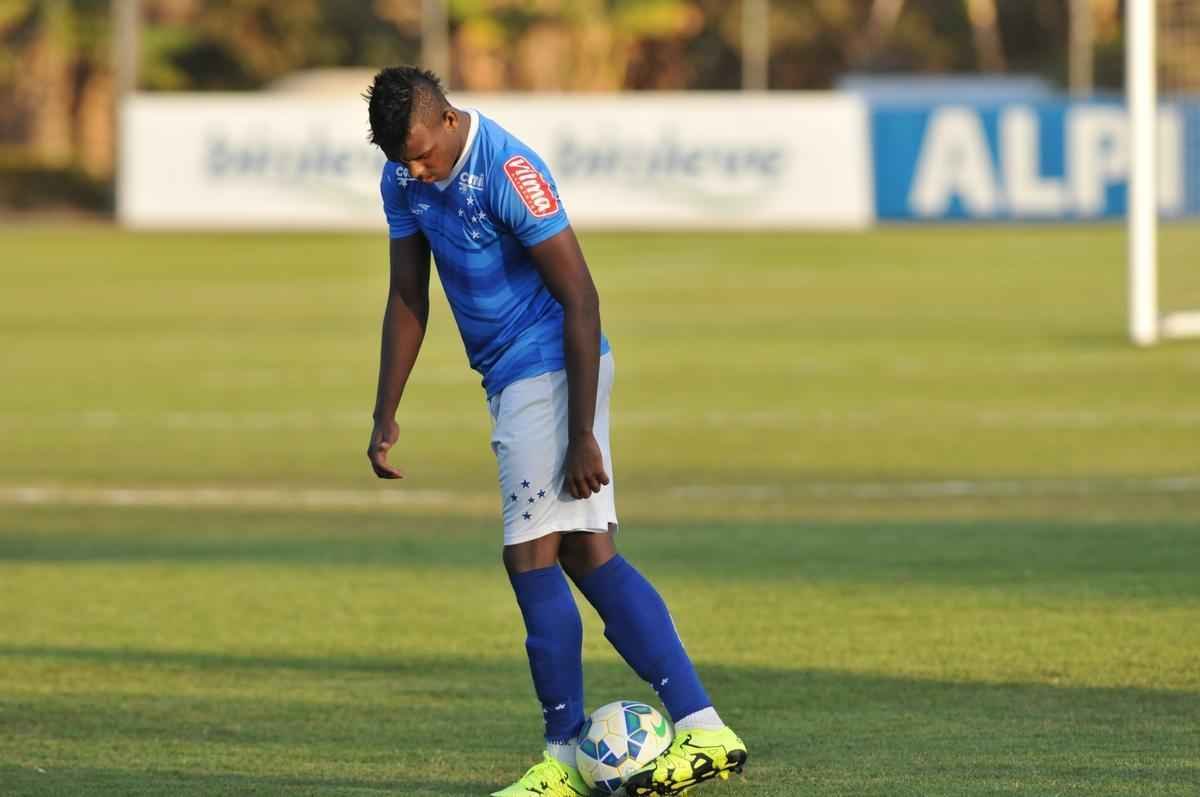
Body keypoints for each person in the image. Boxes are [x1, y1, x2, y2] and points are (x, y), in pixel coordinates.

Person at [364, 66, 747, 797]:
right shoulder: (403, 181)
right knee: (587, 553)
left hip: (549, 369)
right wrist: (386, 408)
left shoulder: (508, 168)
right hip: (511, 378)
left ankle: (564, 755)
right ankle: (702, 726)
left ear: (448, 120)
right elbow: (408, 294)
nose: (414, 168)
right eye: (398, 159)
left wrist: (582, 434)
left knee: (529, 557)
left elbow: (582, 296)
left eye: (420, 151)